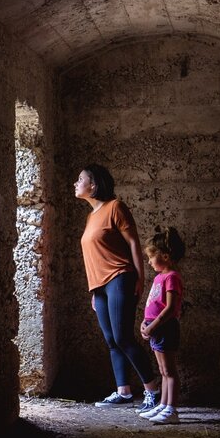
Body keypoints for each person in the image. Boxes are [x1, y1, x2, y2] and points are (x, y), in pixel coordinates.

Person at [74, 164, 161, 412]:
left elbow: (133, 244)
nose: (75, 183)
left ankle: (153, 391)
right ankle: (123, 391)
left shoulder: (115, 207)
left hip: (120, 278)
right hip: (99, 287)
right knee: (111, 340)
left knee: (123, 336)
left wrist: (140, 278)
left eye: (80, 179)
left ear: (93, 185)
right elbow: (95, 256)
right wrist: (94, 292)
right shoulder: (91, 216)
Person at [138, 227, 187, 424]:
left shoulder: (172, 277)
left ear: (165, 256)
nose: (149, 262)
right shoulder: (160, 277)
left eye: (151, 257)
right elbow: (153, 304)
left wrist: (153, 326)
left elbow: (170, 309)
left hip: (165, 328)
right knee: (162, 370)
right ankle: (163, 405)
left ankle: (171, 409)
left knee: (169, 371)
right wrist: (145, 322)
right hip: (156, 328)